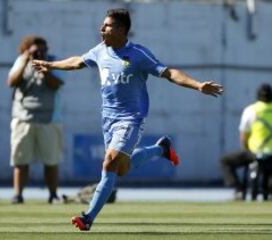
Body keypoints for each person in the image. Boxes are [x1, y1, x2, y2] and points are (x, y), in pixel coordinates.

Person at [33, 8, 223, 231]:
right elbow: (77, 61)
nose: (101, 29)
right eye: (102, 25)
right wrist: (50, 65)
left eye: (107, 26)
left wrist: (198, 85)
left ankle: (88, 218)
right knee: (121, 169)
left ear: (121, 30)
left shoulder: (138, 54)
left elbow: (169, 72)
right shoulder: (101, 51)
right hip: (108, 120)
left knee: (109, 163)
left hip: (131, 119)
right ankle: (160, 149)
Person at [7, 35, 64, 204]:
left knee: (51, 160)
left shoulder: (53, 62)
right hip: (23, 118)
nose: (41, 52)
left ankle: (53, 195)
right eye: (37, 50)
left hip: (49, 119)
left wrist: (43, 68)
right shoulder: (21, 61)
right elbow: (11, 81)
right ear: (26, 49)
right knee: (20, 160)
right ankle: (18, 195)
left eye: (44, 49)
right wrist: (26, 60)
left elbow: (57, 84)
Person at [220, 83, 272, 200]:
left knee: (224, 161)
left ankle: (238, 189)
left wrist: (245, 150)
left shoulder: (251, 110)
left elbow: (243, 135)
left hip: (254, 153)